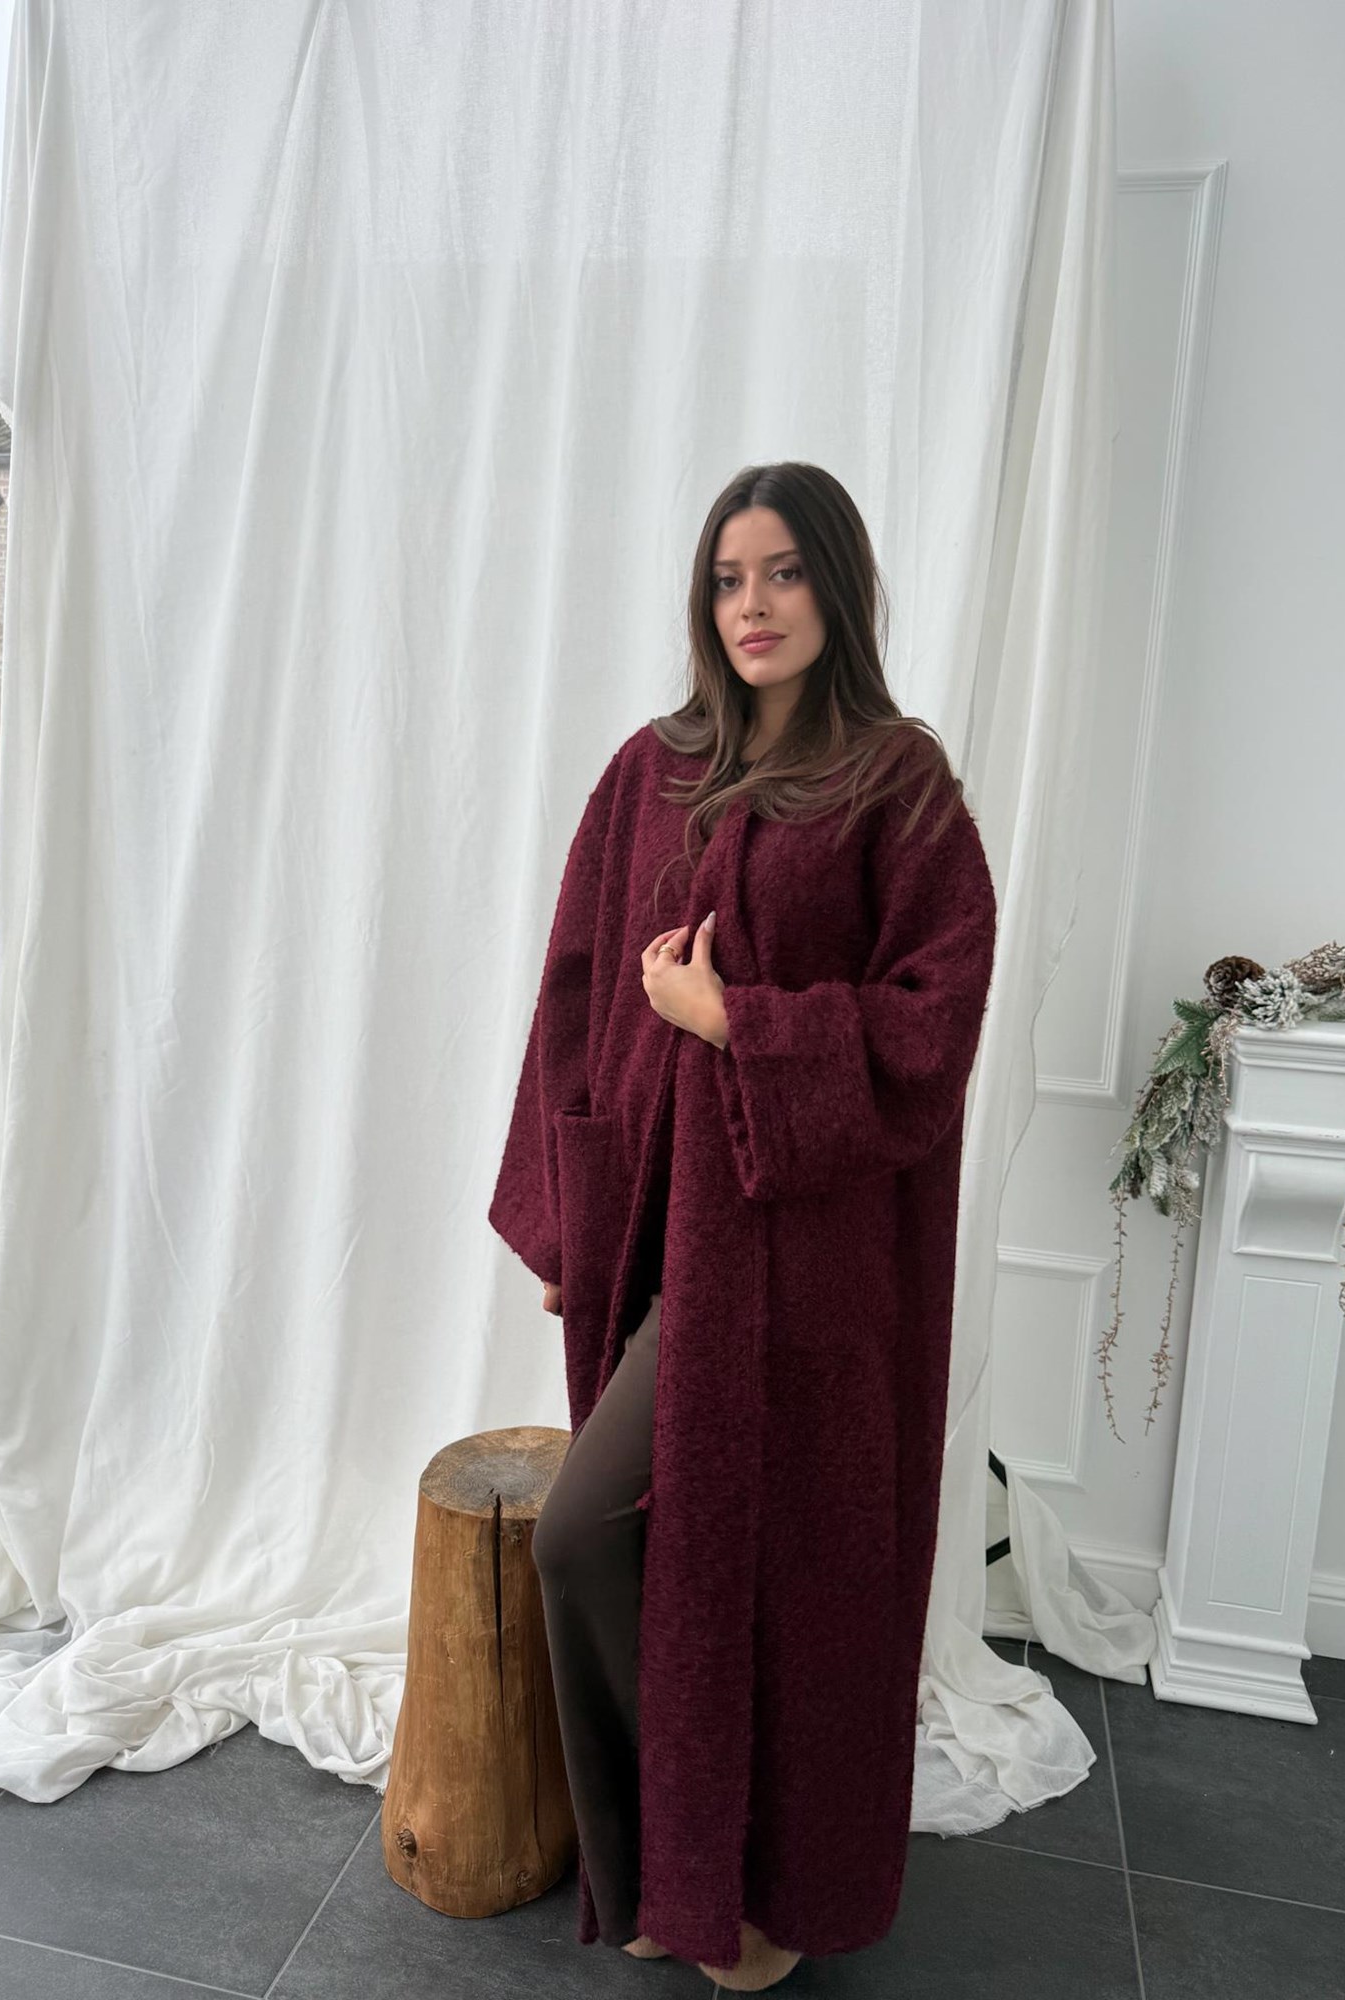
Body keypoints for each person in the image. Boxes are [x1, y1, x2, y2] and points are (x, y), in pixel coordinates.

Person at [492, 462, 998, 1990]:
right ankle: (672, 1866)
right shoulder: (653, 771)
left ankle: (756, 1893)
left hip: (807, 1275)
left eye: (782, 572)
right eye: (728, 577)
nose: (753, 605)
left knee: (784, 1596)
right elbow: (577, 991)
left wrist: (738, 1021)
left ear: (838, 587)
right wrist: (570, 1224)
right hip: (661, 1243)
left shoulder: (897, 785)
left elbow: (933, 1029)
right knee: (598, 1542)